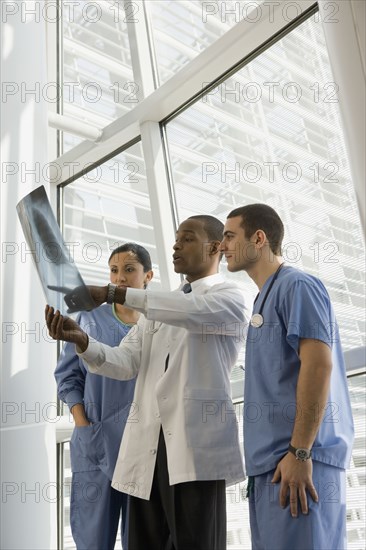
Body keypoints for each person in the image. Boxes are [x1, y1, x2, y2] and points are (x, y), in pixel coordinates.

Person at [46, 215, 250, 550]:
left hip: (193, 453)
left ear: (214, 247)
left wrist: (114, 293)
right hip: (146, 450)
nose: (175, 245)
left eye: (187, 238)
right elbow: (123, 362)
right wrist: (83, 340)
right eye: (175, 238)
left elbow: (191, 309)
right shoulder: (160, 309)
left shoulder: (229, 297)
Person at [220, 203, 354, 550]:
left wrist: (300, 452)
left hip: (300, 463)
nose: (222, 246)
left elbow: (318, 366)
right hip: (272, 467)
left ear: (259, 238)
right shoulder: (263, 300)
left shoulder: (298, 286)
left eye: (230, 236)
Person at [54, 243, 153, 550]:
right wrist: (83, 423)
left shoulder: (159, 323)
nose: (120, 277)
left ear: (148, 276)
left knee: (142, 537)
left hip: (144, 445)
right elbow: (68, 377)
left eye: (129, 269)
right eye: (114, 270)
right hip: (96, 442)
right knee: (93, 539)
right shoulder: (88, 319)